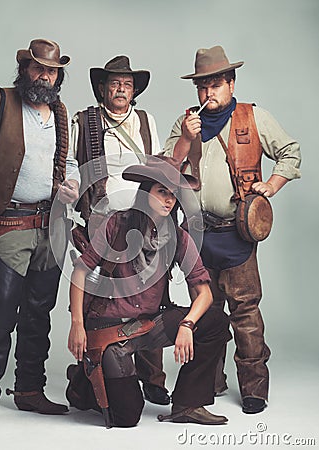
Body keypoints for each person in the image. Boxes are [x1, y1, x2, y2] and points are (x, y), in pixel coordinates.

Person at [163, 45, 301, 414]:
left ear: (230, 82)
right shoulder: (186, 122)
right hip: (197, 234)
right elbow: (164, 169)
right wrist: (186, 141)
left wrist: (270, 186)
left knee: (246, 313)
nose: (208, 93)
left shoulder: (253, 117)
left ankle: (254, 388)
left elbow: (290, 152)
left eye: (214, 84)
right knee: (207, 312)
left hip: (237, 232)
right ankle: (210, 380)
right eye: (201, 86)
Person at [0, 39, 80, 426]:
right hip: (10, 222)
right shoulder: (1, 101)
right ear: (25, 69)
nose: (45, 75)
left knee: (39, 312)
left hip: (52, 225)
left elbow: (71, 162)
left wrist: (72, 186)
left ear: (58, 75)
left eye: (52, 70)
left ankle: (29, 390)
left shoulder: (61, 113)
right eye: (38, 68)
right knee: (1, 307)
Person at [67, 156, 231, 427]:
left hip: (147, 324)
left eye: (173, 195)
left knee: (215, 321)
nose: (169, 200)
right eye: (161, 192)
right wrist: (77, 324)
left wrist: (188, 324)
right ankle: (82, 384)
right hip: (110, 329)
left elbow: (205, 293)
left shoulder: (178, 237)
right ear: (146, 193)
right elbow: (80, 271)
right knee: (126, 417)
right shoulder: (117, 224)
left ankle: (188, 405)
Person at [71, 55, 169, 405]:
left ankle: (153, 377)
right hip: (102, 219)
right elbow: (70, 166)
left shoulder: (145, 121)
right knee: (105, 298)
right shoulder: (85, 121)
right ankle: (93, 365)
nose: (120, 89)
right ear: (102, 87)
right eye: (114, 83)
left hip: (143, 218)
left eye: (127, 84)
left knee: (152, 292)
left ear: (134, 90)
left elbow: (158, 165)